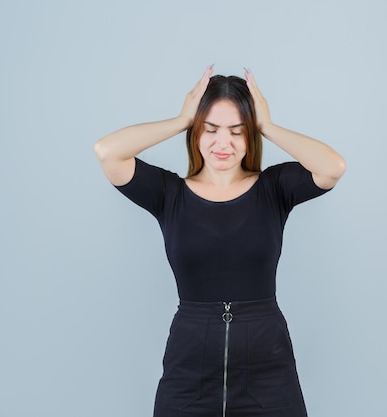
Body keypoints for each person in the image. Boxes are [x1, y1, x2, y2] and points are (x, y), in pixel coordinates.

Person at [94, 66, 346, 417]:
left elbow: (332, 167)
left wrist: (268, 125)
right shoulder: (169, 194)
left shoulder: (274, 188)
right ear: (196, 133)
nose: (222, 143)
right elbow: (108, 152)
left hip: (269, 373)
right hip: (189, 375)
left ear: (250, 136)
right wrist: (182, 118)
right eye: (210, 129)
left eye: (237, 132)